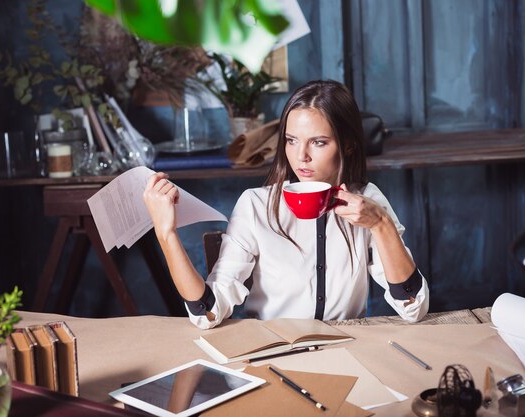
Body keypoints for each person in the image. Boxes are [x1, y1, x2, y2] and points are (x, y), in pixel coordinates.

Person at [144, 80, 429, 329]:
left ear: (349, 145)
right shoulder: (255, 205)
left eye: (318, 142)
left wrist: (380, 225)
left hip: (348, 356)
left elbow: (413, 307)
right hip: (275, 358)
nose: (301, 156)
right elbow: (207, 313)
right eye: (291, 140)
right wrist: (166, 235)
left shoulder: (368, 202)